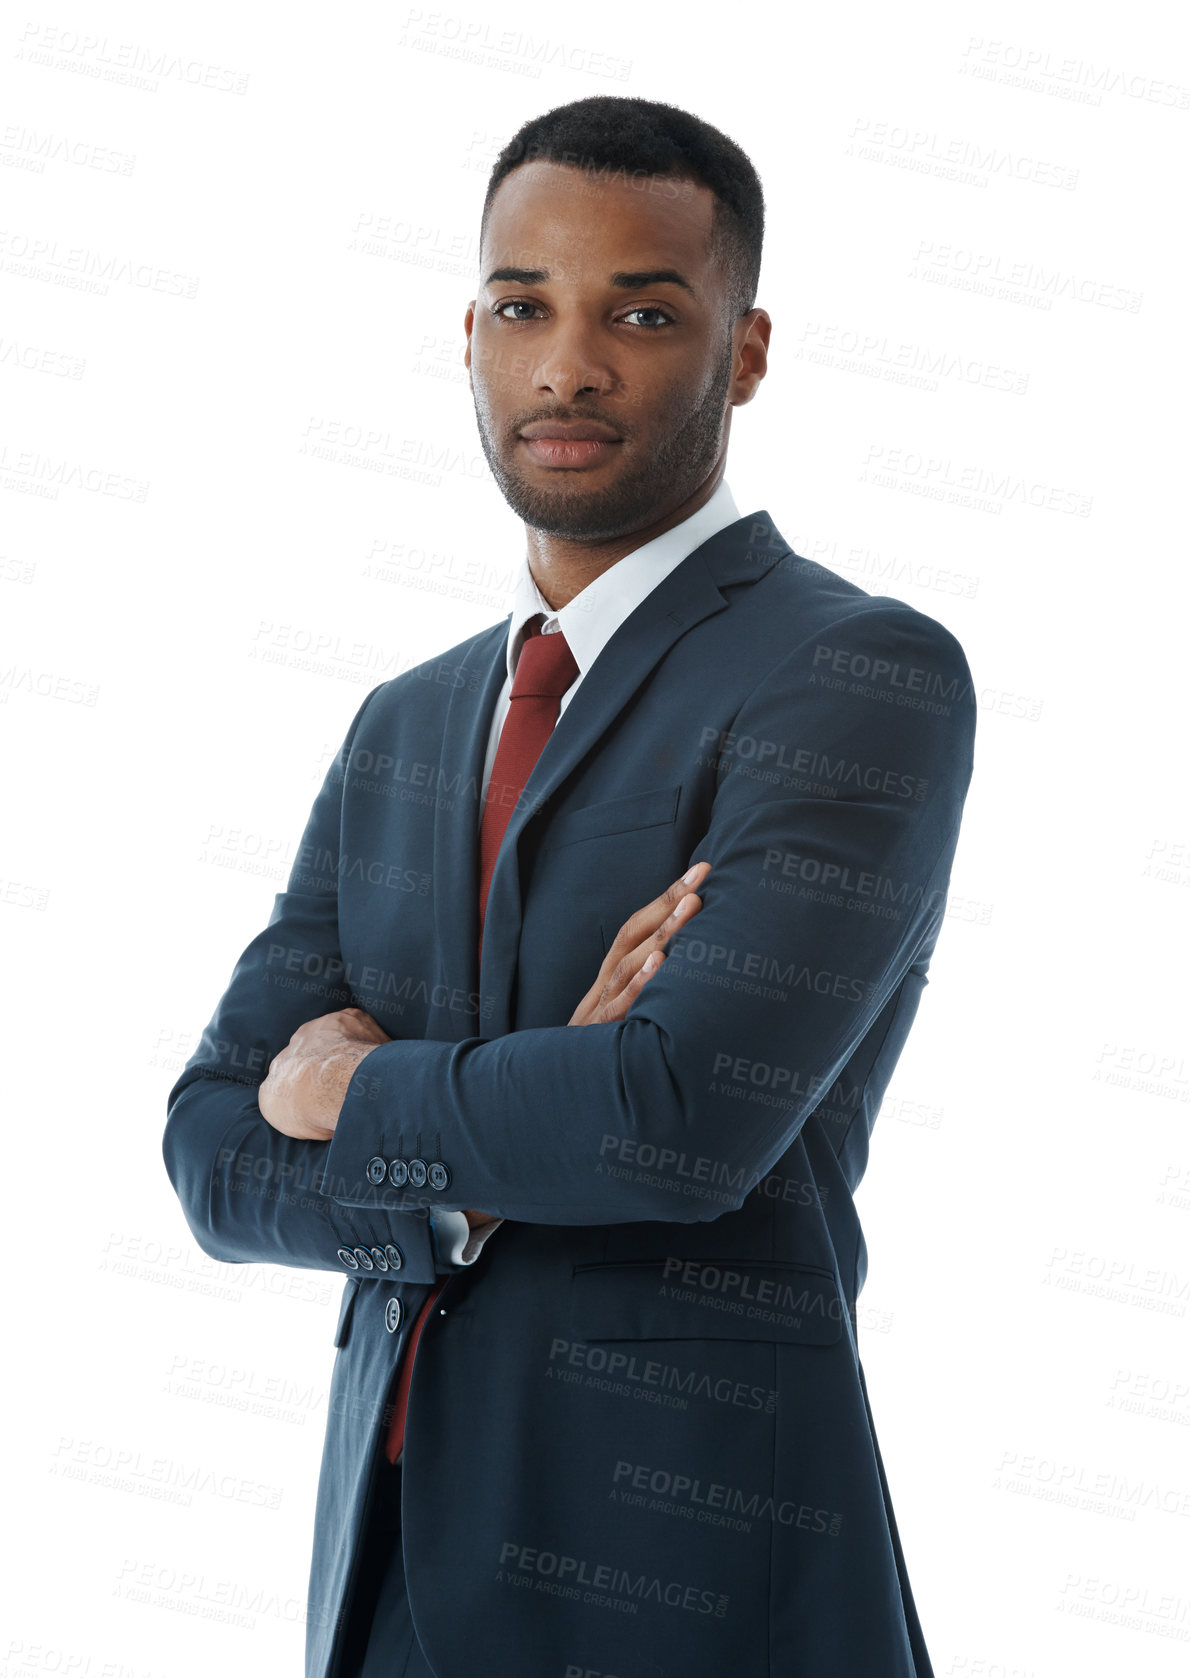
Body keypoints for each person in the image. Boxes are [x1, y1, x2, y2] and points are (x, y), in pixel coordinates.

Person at [163, 94, 977, 1678]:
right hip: (383, 1576)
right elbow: (208, 1148)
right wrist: (479, 1146)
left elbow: (670, 1121)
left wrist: (353, 1084)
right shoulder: (408, 717)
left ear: (741, 352)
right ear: (468, 331)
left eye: (643, 312)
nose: (566, 366)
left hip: (678, 1579)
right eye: (524, 306)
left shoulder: (848, 672)